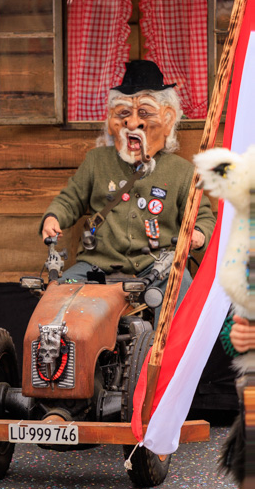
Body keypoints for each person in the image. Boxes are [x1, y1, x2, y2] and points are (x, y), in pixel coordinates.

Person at [41, 60, 216, 312]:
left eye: (145, 113)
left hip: (157, 267)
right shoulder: (96, 161)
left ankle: (164, 352)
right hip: (95, 266)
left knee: (179, 295)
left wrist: (198, 233)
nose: (133, 124)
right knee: (57, 297)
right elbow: (70, 200)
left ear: (167, 120)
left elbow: (204, 217)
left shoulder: (182, 172)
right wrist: (53, 216)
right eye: (124, 113)